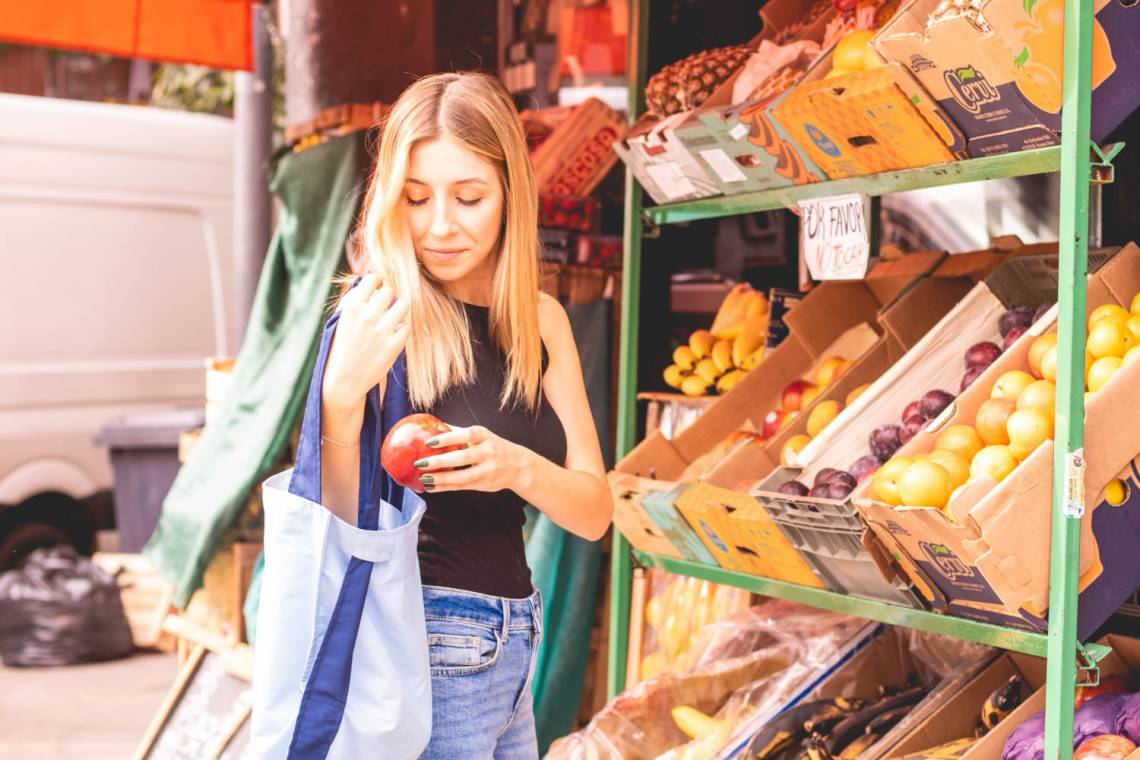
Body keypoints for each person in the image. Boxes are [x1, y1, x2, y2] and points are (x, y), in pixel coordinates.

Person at [316, 71, 614, 759]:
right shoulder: (377, 313)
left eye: (469, 197)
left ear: (510, 192)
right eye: (416, 199)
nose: (440, 225)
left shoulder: (542, 321)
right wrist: (339, 400)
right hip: (426, 638)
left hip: (516, 641)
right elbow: (332, 514)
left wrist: (515, 466)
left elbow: (594, 512)